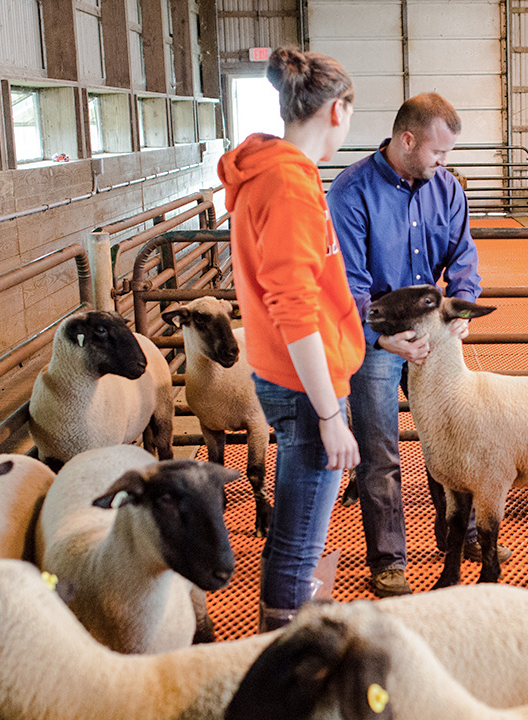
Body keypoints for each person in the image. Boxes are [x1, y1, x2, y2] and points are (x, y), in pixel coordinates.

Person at [328, 93, 508, 598]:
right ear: (407, 141)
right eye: (438, 153)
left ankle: (462, 535)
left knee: (453, 437)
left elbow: (463, 253)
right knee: (380, 449)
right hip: (380, 339)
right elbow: (350, 283)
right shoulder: (352, 191)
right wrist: (383, 338)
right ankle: (389, 559)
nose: (444, 164)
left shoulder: (446, 189)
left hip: (436, 335)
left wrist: (463, 307)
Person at [217, 48, 363, 630]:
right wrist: (329, 412)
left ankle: (299, 624)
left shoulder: (276, 172)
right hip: (307, 384)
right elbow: (294, 306)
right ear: (336, 110)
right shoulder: (287, 184)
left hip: (301, 373)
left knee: (301, 521)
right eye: (351, 113)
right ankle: (285, 654)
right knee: (300, 534)